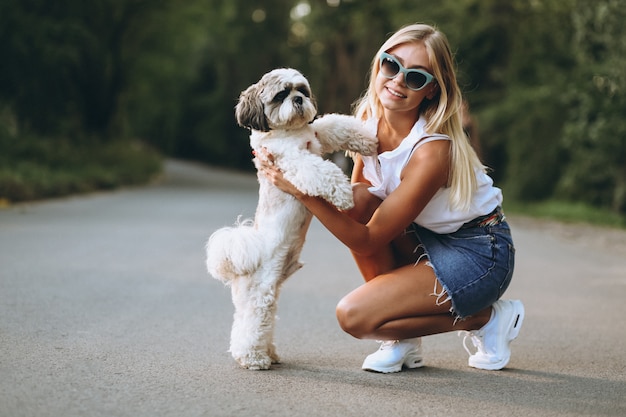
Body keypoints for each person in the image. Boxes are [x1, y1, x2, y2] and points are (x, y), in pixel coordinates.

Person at [260, 23, 524, 373]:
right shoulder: (367, 122)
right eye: (392, 65)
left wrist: (301, 190)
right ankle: (403, 342)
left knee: (355, 317)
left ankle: (487, 317)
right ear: (379, 64)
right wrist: (282, 153)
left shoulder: (432, 151)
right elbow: (354, 207)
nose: (398, 80)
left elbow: (368, 238)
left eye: (416, 77)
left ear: (431, 90)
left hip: (478, 253)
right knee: (360, 199)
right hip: (425, 238)